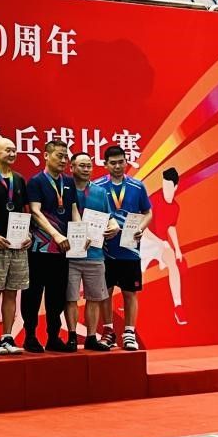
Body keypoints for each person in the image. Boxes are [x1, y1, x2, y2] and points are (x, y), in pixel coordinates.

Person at [99, 145, 153, 351]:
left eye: (121, 162)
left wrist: (141, 227)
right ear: (105, 164)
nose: (117, 166)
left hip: (130, 250)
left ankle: (129, 333)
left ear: (126, 162)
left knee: (130, 293)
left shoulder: (137, 186)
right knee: (105, 292)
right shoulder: (97, 187)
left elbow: (148, 212)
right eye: (113, 163)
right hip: (104, 250)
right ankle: (108, 332)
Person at [0, 137, 30, 355]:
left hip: (18, 246)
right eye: (7, 150)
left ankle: (8, 336)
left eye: (14, 150)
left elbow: (24, 211)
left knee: (12, 291)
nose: (12, 154)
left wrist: (28, 234)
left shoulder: (18, 179)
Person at [26, 139, 74, 353]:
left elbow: (73, 209)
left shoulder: (69, 182)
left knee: (57, 295)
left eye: (65, 156)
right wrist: (55, 234)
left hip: (63, 249)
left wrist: (80, 234)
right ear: (46, 155)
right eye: (59, 156)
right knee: (33, 293)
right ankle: (30, 336)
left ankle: (53, 336)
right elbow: (35, 212)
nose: (63, 160)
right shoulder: (36, 182)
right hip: (40, 248)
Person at [70, 152, 117, 352]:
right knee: (71, 298)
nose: (86, 169)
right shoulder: (65, 189)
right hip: (70, 253)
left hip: (96, 254)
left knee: (95, 298)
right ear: (71, 167)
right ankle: (72, 337)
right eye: (81, 165)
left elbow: (109, 217)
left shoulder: (100, 192)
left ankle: (91, 337)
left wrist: (114, 226)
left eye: (89, 166)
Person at [142, 167, 185, 326]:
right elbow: (144, 228)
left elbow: (171, 227)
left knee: (173, 262)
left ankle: (178, 306)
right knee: (135, 277)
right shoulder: (153, 200)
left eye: (168, 186)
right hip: (145, 241)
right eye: (164, 185)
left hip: (161, 244)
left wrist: (177, 249)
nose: (165, 189)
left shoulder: (175, 207)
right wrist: (162, 242)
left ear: (175, 187)